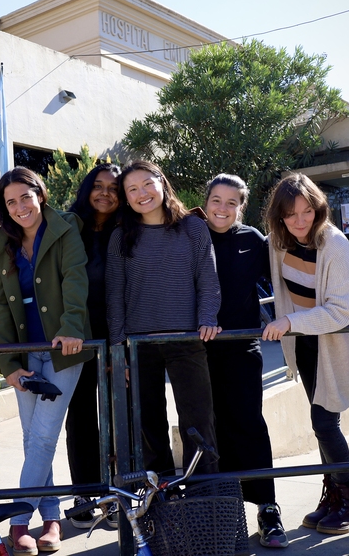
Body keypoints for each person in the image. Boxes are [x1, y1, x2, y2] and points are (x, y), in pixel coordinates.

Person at [0, 167, 91, 555]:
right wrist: (8, 364)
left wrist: (73, 327)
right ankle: (51, 520)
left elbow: (76, 280)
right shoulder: (2, 247)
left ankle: (17, 522)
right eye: (10, 202)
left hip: (65, 351)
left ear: (40, 194)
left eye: (24, 197)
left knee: (43, 436)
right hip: (25, 353)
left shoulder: (65, 229)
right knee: (34, 441)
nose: (19, 207)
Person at [262, 173, 349, 535]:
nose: (300, 220)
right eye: (291, 214)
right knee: (320, 425)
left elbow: (340, 311)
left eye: (307, 211)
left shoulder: (333, 243)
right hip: (305, 344)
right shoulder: (278, 243)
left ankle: (348, 503)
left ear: (319, 210)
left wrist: (289, 320)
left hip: (334, 344)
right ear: (280, 217)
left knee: (325, 423)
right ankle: (331, 497)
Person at [105, 160, 220, 476]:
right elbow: (115, 295)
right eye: (132, 189)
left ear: (162, 183)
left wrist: (207, 317)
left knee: (198, 420)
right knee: (148, 425)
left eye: (147, 184)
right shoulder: (121, 237)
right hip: (140, 343)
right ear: (126, 198)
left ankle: (203, 497)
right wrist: (118, 348)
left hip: (187, 339)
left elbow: (207, 279)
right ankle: (161, 501)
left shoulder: (193, 228)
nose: (141, 193)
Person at [203, 173, 286, 548]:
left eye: (231, 202)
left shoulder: (252, 239)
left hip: (242, 349)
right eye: (216, 200)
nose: (223, 208)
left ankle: (267, 508)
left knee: (249, 424)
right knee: (208, 429)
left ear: (242, 207)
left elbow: (285, 276)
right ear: (206, 202)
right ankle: (219, 510)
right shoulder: (190, 235)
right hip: (195, 352)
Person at [64, 162, 120, 530]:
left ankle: (118, 493)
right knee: (81, 415)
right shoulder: (69, 227)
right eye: (97, 186)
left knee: (119, 417)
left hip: (118, 333)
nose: (104, 193)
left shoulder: (128, 230)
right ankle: (85, 492)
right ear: (87, 189)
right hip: (77, 334)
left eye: (113, 188)